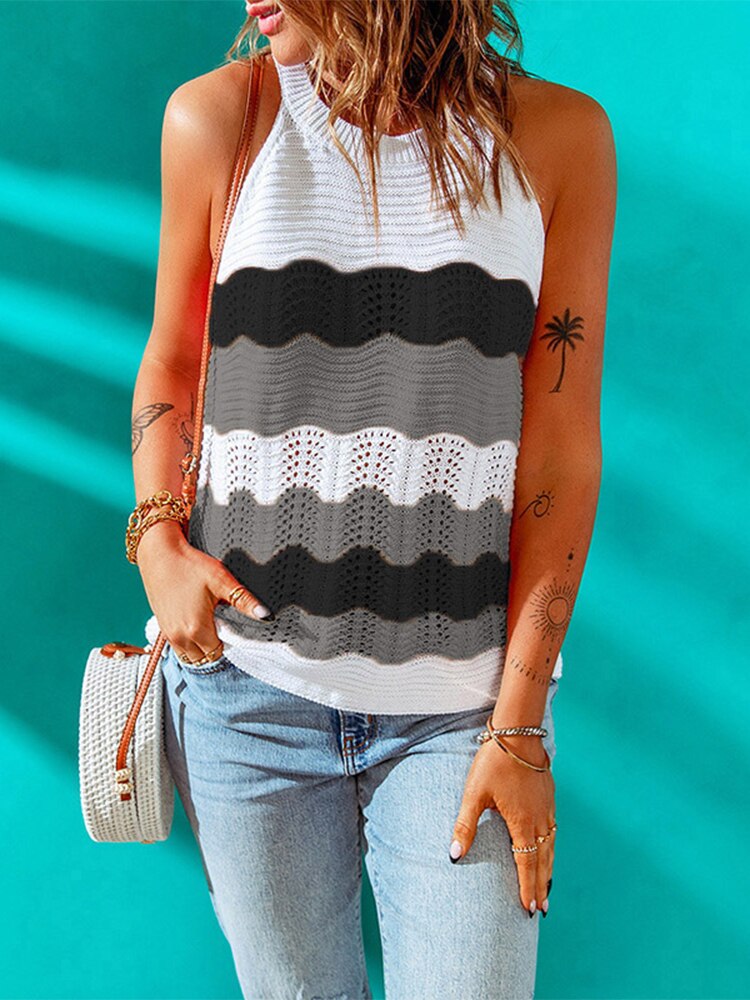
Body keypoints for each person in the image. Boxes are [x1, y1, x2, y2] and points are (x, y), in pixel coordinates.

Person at [128, 1, 616, 997]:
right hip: (245, 696)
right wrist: (157, 544)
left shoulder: (558, 138)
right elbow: (173, 356)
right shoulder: (219, 119)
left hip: (461, 716)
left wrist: (518, 725)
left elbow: (559, 454)